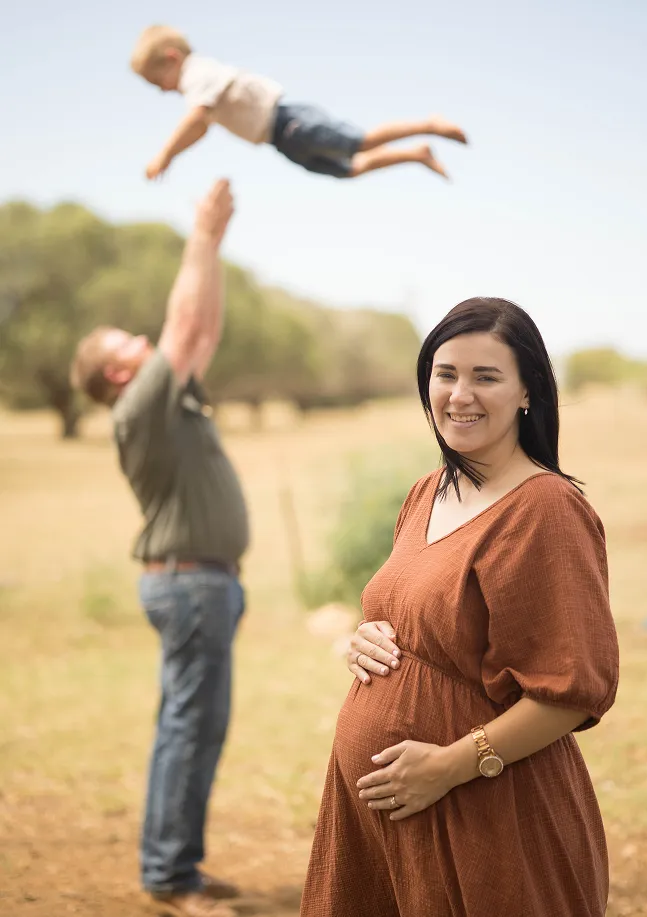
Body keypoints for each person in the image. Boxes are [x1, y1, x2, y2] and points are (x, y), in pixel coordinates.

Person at [300, 297, 620, 917]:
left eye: (486, 377)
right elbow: (424, 620)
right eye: (445, 374)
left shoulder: (546, 511)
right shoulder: (429, 490)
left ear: (528, 392)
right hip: (390, 818)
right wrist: (364, 637)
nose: (460, 394)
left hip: (486, 816)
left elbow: (572, 692)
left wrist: (447, 766)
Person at [71, 180, 247, 917]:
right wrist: (200, 236)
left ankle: (177, 865)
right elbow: (180, 330)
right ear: (118, 374)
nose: (144, 346)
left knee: (196, 727)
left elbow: (198, 332)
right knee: (189, 727)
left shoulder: (167, 401)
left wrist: (215, 251)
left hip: (204, 587)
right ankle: (170, 878)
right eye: (128, 346)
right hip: (190, 587)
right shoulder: (141, 405)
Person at [130, 25, 468, 183]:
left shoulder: (195, 73)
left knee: (359, 142)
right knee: (349, 169)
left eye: (159, 82)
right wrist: (172, 155)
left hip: (288, 121)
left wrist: (164, 155)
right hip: (279, 140)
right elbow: (199, 129)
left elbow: (196, 121)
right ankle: (416, 153)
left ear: (172, 59)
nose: (163, 91)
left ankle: (429, 124)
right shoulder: (194, 86)